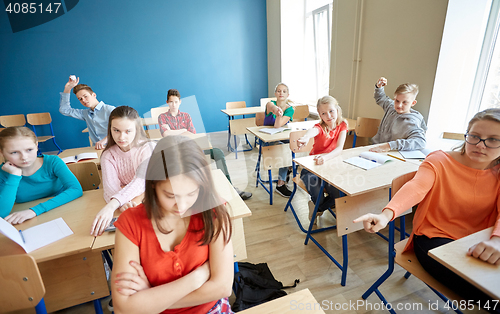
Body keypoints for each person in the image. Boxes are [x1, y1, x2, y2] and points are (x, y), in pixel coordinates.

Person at [354, 108, 500, 313]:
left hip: (480, 239)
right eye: (474, 136)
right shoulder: (439, 160)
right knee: (489, 294)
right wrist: (386, 215)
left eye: (493, 139)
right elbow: (416, 188)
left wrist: (496, 239)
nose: (480, 145)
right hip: (435, 237)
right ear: (466, 135)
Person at [111, 135, 234, 314]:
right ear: (153, 185)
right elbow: (124, 307)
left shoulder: (213, 211)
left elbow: (222, 288)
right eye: (170, 196)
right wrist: (196, 279)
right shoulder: (131, 224)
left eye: (192, 193)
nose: (182, 206)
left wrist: (151, 298)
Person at [158, 89, 252, 200]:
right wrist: (183, 130)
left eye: (176, 102)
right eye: (171, 102)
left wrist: (175, 132)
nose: (173, 105)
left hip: (192, 148)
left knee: (218, 152)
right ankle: (206, 194)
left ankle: (230, 187)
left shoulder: (186, 116)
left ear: (180, 102)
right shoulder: (162, 117)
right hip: (175, 153)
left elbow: (192, 133)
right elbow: (166, 134)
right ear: (167, 102)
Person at [90, 106, 155, 236]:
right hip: (130, 205)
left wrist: (113, 205)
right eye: (116, 130)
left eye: (128, 131)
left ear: (136, 130)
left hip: (154, 201)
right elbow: (110, 188)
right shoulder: (108, 155)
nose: (121, 137)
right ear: (110, 129)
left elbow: (143, 181)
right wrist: (122, 204)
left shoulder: (148, 147)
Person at [0, 126, 82, 223]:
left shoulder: (52, 162)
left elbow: (76, 189)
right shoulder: (4, 173)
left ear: (36, 145)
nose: (24, 157)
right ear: (2, 152)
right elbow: (2, 213)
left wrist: (34, 210)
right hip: (31, 221)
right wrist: (14, 175)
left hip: (62, 208)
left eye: (29, 150)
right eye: (14, 152)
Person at [297, 96, 348, 224]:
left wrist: (325, 158)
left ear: (337, 110)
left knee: (339, 196)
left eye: (331, 111)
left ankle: (316, 209)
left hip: (331, 167)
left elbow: (339, 149)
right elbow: (312, 131)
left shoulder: (343, 125)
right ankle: (318, 205)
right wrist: (305, 138)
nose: (328, 116)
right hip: (312, 168)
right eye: (323, 113)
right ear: (319, 115)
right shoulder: (319, 127)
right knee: (316, 190)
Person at [369, 77, 427, 153]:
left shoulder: (411, 122)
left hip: (392, 154)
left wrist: (390, 145)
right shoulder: (391, 107)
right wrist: (379, 87)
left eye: (405, 102)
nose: (399, 105)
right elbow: (380, 98)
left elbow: (420, 142)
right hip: (376, 147)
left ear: (413, 103)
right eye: (397, 101)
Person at [59, 76, 115, 150]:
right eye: (80, 99)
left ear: (94, 95)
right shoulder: (85, 114)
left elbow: (120, 129)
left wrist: (104, 140)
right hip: (98, 150)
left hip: (114, 147)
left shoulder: (110, 110)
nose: (84, 100)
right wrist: (67, 89)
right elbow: (64, 110)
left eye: (85, 96)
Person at [264, 83, 295, 197]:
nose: (281, 93)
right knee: (285, 150)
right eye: (278, 91)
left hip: (280, 137)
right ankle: (281, 184)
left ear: (288, 94)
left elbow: (279, 125)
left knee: (294, 145)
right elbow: (277, 124)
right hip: (266, 140)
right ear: (275, 93)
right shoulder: (270, 104)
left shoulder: (290, 109)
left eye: (284, 91)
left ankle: (287, 169)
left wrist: (280, 115)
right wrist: (277, 111)